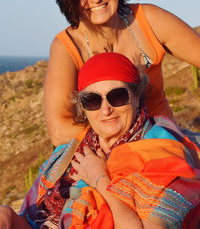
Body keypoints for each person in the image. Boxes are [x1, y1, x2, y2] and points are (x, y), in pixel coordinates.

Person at [1, 52, 200, 228]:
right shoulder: (71, 151)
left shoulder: (160, 152)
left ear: (137, 95)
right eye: (93, 100)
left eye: (118, 96)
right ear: (83, 107)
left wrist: (99, 178)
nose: (105, 110)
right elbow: (31, 213)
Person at [44, 0, 200, 147]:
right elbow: (58, 129)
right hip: (104, 155)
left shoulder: (149, 20)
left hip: (164, 145)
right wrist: (116, 141)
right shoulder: (67, 46)